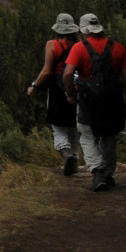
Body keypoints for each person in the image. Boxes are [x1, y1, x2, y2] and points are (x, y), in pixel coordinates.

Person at [64, 13, 126, 191]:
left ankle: (97, 170)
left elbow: (67, 74)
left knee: (86, 134)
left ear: (83, 30)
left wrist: (70, 93)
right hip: (113, 100)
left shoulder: (79, 48)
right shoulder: (118, 48)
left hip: (89, 101)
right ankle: (108, 174)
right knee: (110, 136)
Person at [26, 13, 83, 175]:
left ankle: (66, 154)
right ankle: (74, 158)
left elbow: (46, 70)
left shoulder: (52, 44)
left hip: (57, 90)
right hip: (73, 88)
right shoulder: (79, 45)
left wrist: (34, 86)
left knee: (57, 127)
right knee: (73, 126)